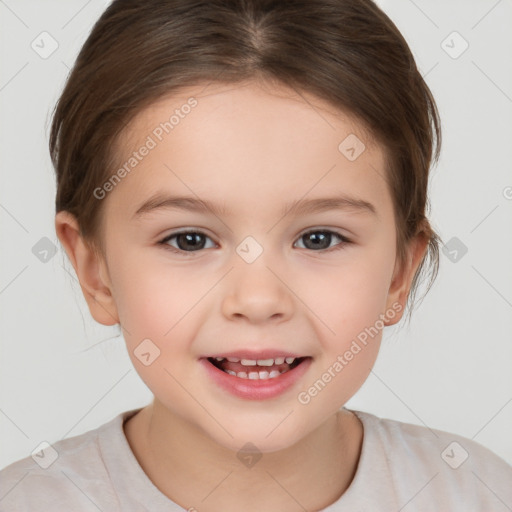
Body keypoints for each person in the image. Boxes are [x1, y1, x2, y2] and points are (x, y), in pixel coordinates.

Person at [1, 0, 511, 510]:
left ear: (400, 272)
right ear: (97, 273)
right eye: (189, 240)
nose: (259, 299)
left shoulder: (477, 494)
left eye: (319, 238)